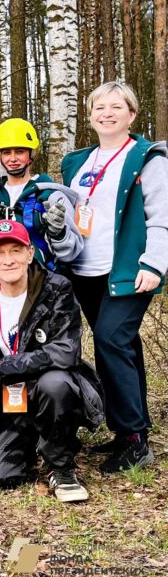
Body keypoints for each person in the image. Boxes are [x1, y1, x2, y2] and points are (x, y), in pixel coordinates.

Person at [61, 80, 168, 472]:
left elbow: (162, 217)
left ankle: (135, 440)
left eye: (116, 107)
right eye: (99, 107)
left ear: (132, 114)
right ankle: (131, 431)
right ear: (90, 116)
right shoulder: (76, 162)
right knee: (122, 345)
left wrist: (154, 263)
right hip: (84, 271)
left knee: (109, 339)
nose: (107, 113)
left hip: (127, 270)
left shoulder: (148, 157)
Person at [0, 220, 104, 501]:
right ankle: (30, 443)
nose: (8, 260)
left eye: (16, 250)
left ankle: (60, 466)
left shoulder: (56, 289)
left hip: (47, 391)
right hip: (7, 404)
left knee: (56, 382)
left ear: (29, 253)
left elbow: (64, 351)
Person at [0, 118, 81, 271]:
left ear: (31, 154)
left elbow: (71, 253)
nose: (13, 159)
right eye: (6, 153)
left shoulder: (50, 196)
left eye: (19, 151)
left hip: (40, 282)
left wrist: (59, 233)